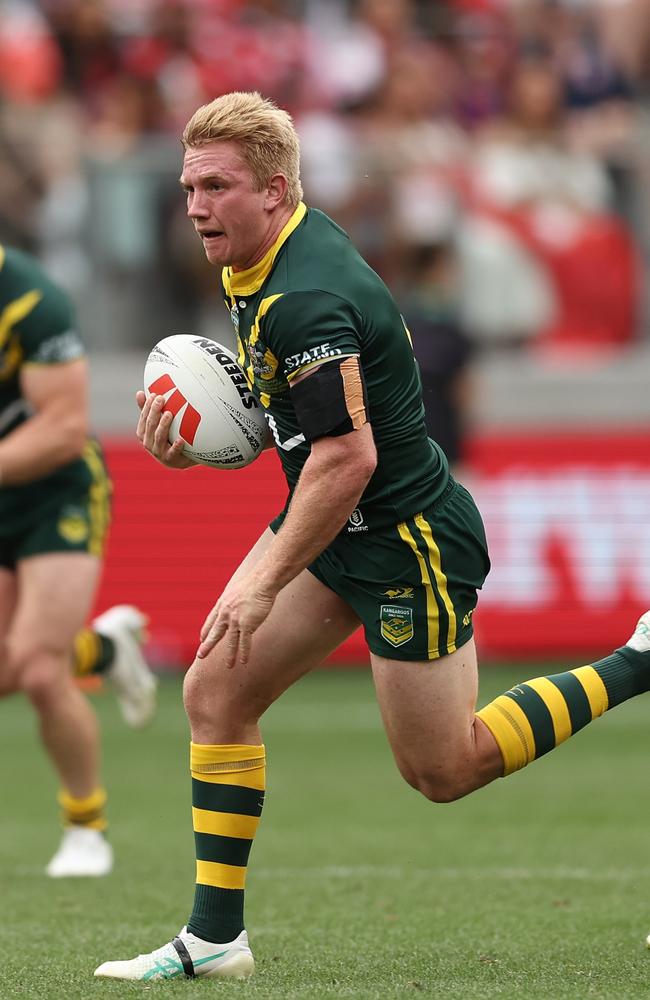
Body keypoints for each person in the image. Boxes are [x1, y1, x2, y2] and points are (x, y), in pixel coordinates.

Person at [95, 91, 650, 982]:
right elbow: (309, 435)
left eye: (216, 186)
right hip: (340, 526)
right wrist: (208, 453)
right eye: (188, 184)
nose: (195, 205)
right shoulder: (261, 260)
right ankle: (215, 938)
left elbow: (347, 458)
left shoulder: (303, 295)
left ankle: (639, 660)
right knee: (215, 691)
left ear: (275, 191)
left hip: (405, 541)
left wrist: (263, 577)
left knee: (444, 768)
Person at [0, 242, 158, 878]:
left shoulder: (31, 299)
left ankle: (86, 828)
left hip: (55, 489)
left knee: (39, 669)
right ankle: (105, 650)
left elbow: (64, 427)